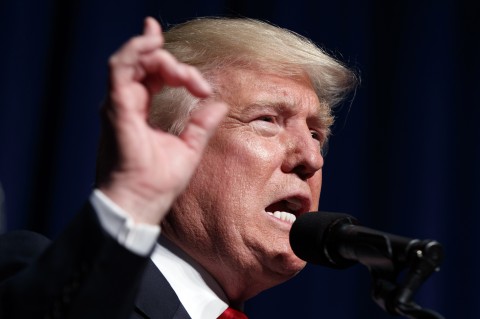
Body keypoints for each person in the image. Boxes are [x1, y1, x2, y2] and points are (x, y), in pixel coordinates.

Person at [0, 16, 357, 318]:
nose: (312, 158)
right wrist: (132, 204)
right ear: (161, 142)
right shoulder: (43, 278)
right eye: (267, 120)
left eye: (315, 132)